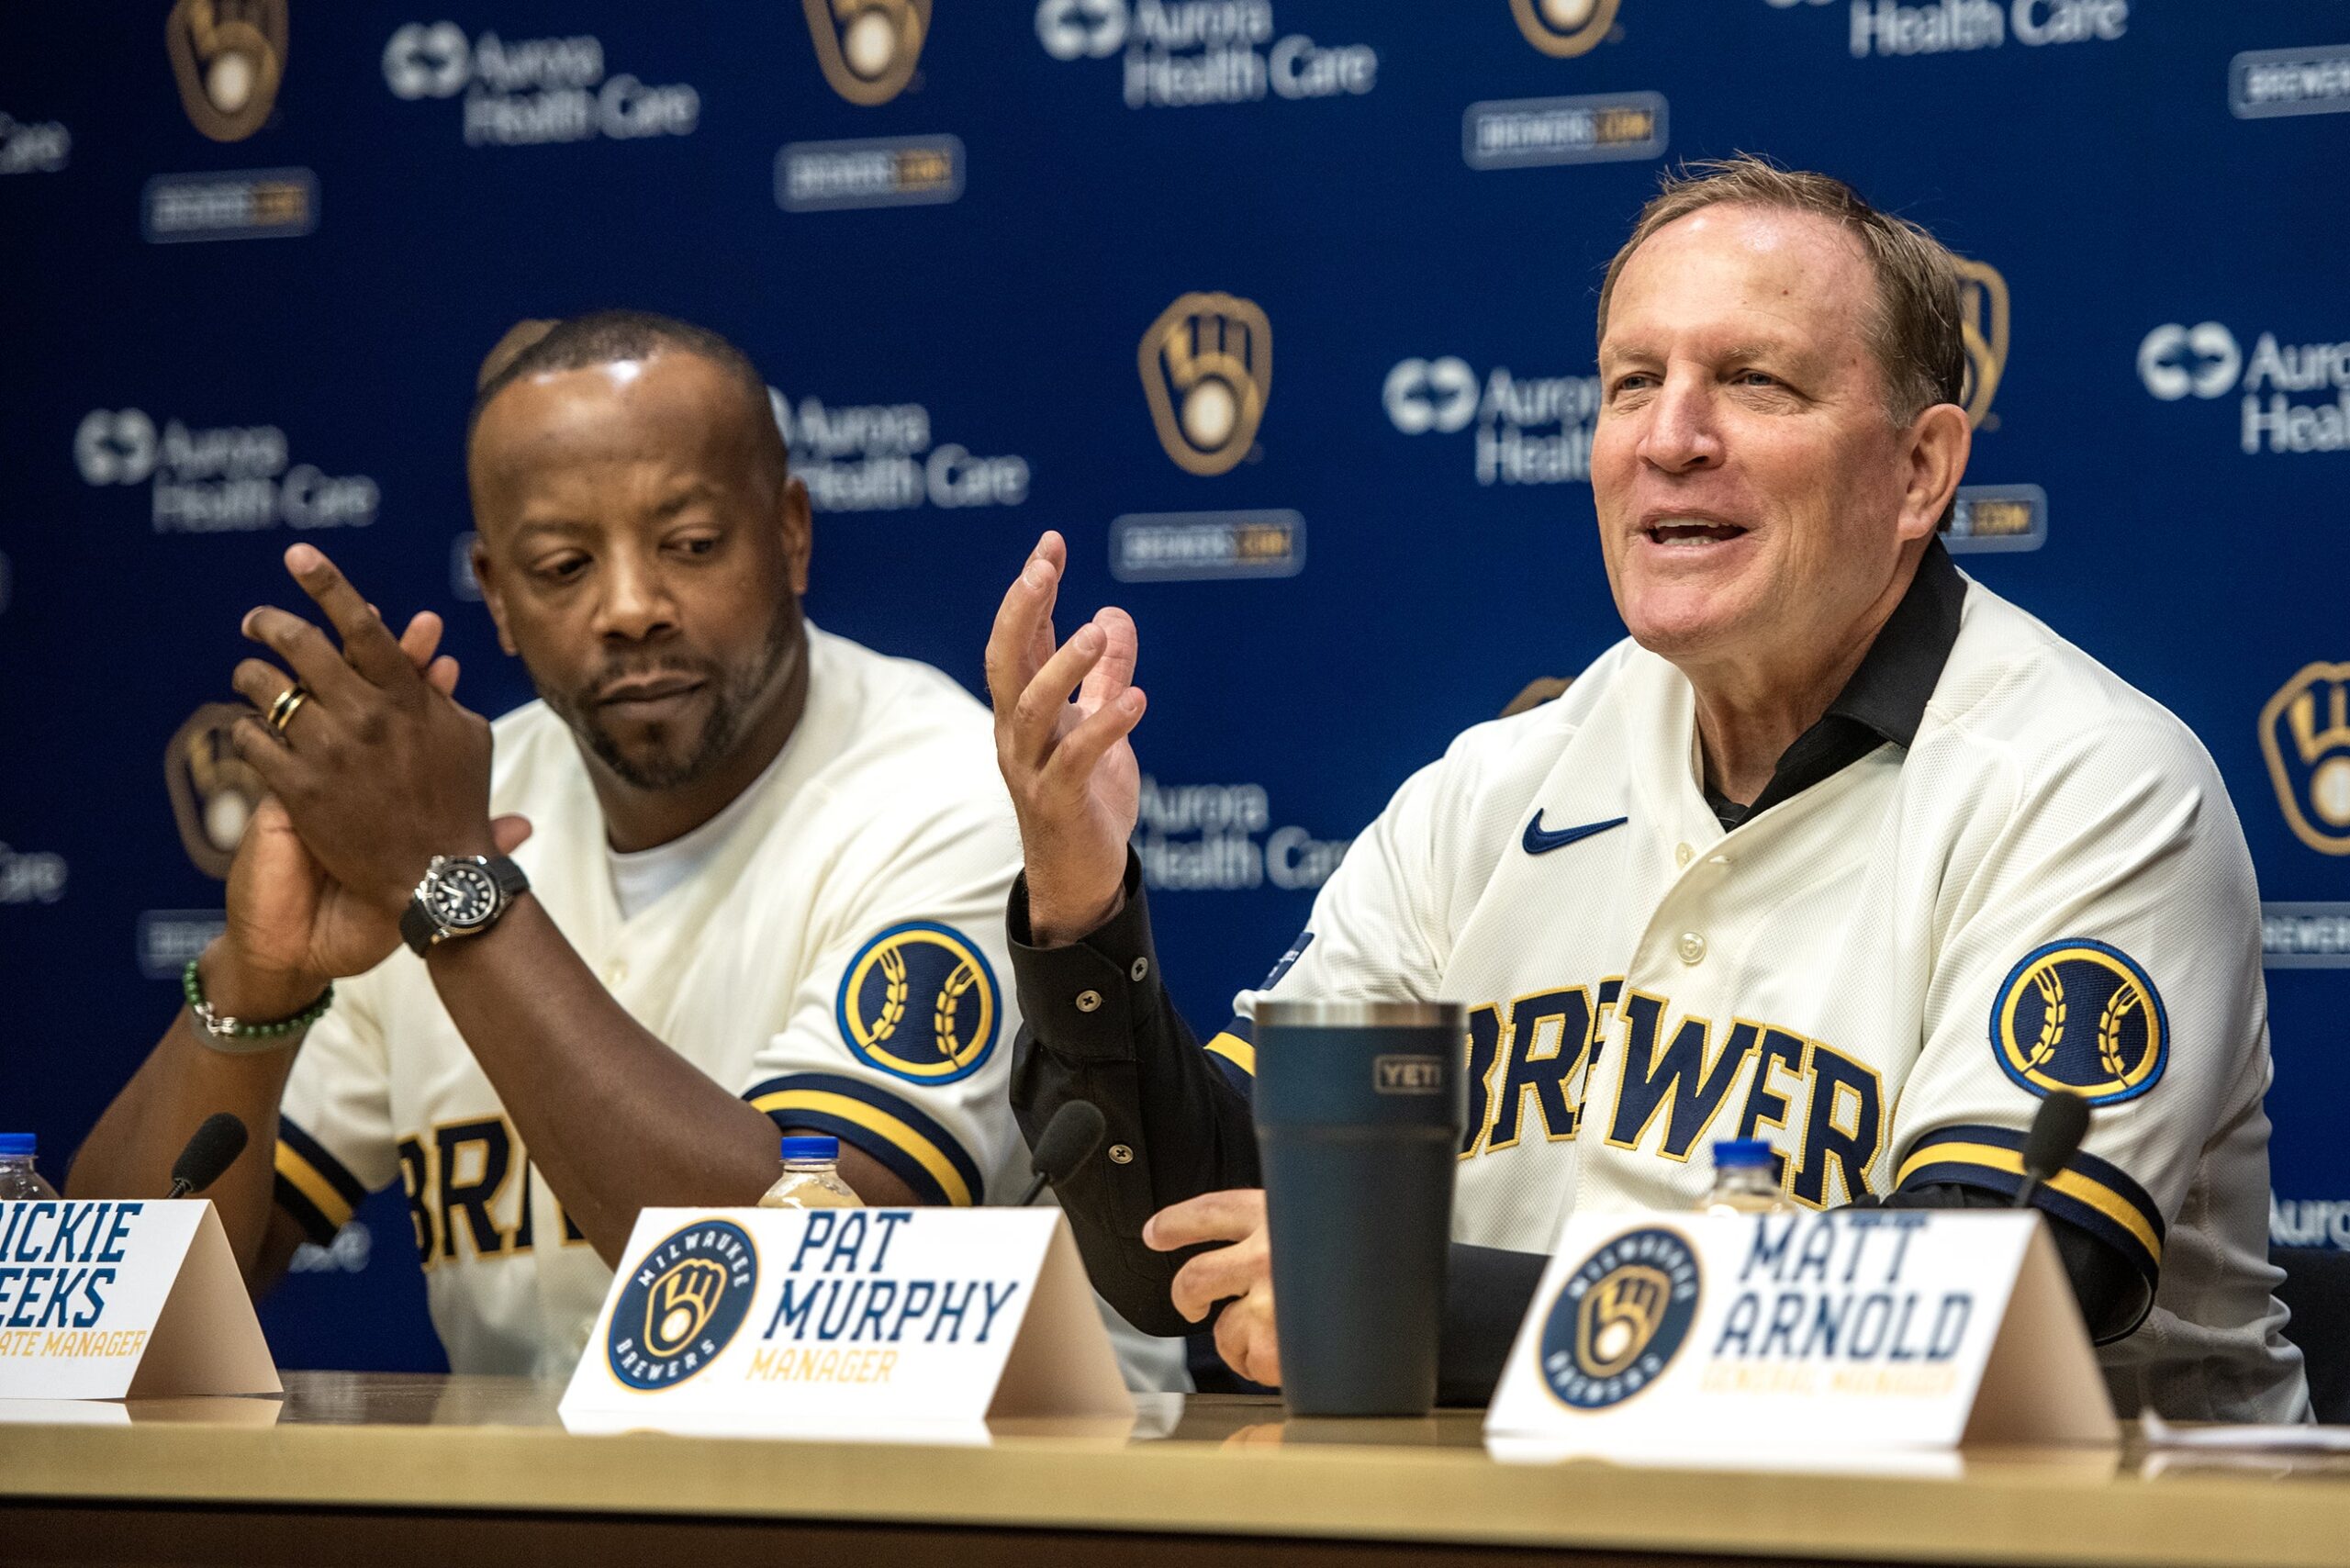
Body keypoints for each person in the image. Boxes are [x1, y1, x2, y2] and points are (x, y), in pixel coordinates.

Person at [989, 159, 2309, 1421]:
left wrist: (1404, 1299)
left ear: (1920, 472)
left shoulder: (2089, 787)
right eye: (1632, 383)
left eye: (1754, 381)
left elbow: (1979, 1304)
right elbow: (1202, 1243)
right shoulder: (1490, 794)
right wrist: (1081, 904)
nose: (1672, 439)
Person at [71, 310, 1135, 1381]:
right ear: (496, 596)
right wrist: (257, 981)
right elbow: (114, 1325)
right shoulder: (443, 809)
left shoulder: (945, 791)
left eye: (689, 544)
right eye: (564, 563)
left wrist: (453, 890)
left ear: (792, 537)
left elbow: (797, 1296)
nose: (629, 607)